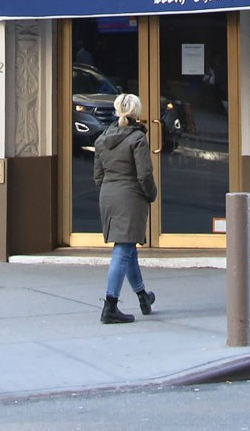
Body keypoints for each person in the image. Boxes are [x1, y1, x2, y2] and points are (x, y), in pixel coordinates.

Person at [93, 92, 156, 325]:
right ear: (136, 113)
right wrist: (151, 194)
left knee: (128, 249)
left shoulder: (102, 139)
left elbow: (98, 175)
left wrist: (110, 188)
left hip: (108, 195)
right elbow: (144, 174)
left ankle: (142, 296)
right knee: (122, 250)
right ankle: (110, 306)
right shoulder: (137, 138)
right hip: (130, 197)